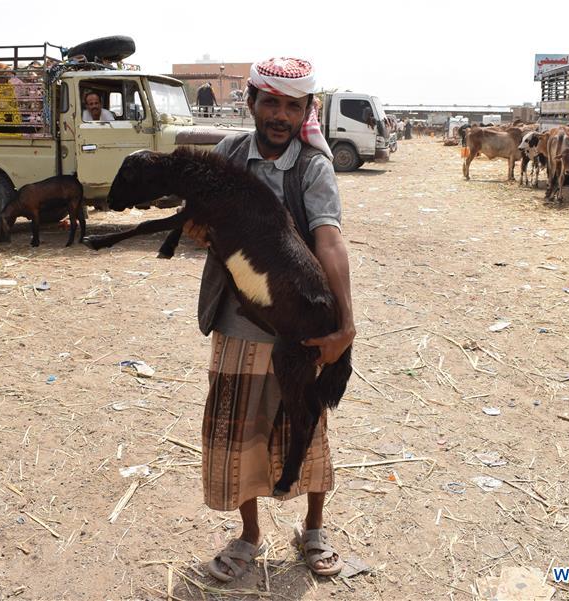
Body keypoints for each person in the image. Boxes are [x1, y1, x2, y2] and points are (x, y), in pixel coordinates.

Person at [183, 57, 354, 582]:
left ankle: (314, 530)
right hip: (237, 323)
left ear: (307, 111)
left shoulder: (312, 167)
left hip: (298, 330)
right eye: (271, 102)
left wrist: (345, 327)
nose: (280, 115)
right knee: (238, 433)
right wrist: (198, 228)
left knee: (309, 425)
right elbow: (200, 219)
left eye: (292, 106)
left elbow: (329, 238)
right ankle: (250, 536)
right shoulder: (229, 153)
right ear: (254, 101)